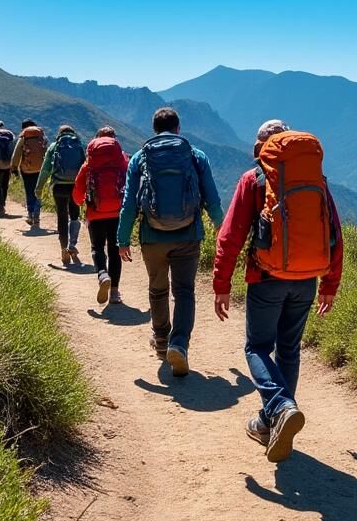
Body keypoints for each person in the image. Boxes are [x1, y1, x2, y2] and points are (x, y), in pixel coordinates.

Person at [213, 119, 343, 463]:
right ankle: (271, 421)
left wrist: (221, 284)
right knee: (289, 349)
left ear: (262, 148)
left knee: (257, 347)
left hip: (266, 278)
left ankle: (281, 407)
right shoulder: (315, 180)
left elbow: (230, 237)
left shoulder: (253, 179)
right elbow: (333, 231)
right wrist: (330, 284)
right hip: (307, 279)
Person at [118, 107, 223, 377]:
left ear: (153, 129)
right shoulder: (195, 155)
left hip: (152, 237)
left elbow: (129, 202)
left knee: (157, 289)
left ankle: (162, 339)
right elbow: (211, 197)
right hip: (188, 235)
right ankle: (180, 344)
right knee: (185, 292)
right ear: (178, 128)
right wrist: (222, 228)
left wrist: (122, 238)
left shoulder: (141, 158)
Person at [74, 126, 129, 305]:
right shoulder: (122, 160)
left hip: (95, 212)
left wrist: (79, 201)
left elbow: (78, 188)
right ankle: (114, 292)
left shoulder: (89, 162)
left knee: (97, 247)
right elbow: (131, 183)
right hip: (117, 212)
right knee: (114, 250)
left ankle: (102, 274)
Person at [37, 124, 86, 267]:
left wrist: (39, 188)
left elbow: (46, 169)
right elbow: (85, 166)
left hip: (58, 186)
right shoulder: (79, 145)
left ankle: (63, 247)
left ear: (59, 133)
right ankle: (72, 244)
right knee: (75, 215)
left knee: (62, 217)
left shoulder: (54, 146)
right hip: (75, 186)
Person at [14, 119, 48, 229]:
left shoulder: (23, 138)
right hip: (40, 169)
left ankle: (30, 214)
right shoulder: (42, 137)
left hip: (26, 169)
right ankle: (37, 216)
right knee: (38, 191)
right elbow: (47, 152)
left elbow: (17, 153)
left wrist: (14, 167)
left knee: (29, 191)